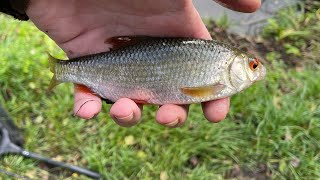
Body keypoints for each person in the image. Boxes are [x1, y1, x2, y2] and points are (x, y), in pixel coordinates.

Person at [1, 0, 261, 127]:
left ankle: (69, 73)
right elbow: (196, 93)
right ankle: (67, 72)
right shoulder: (219, 62)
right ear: (236, 64)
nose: (256, 70)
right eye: (252, 66)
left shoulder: (217, 56)